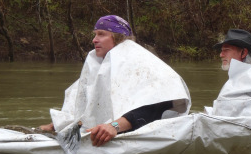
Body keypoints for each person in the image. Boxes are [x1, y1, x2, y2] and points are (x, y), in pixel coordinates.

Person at [40, 15, 191, 146]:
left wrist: (114, 126)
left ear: (117, 38)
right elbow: (86, 106)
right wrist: (56, 126)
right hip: (102, 131)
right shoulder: (99, 67)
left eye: (101, 34)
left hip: (138, 131)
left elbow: (157, 104)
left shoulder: (143, 64)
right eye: (95, 34)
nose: (94, 40)